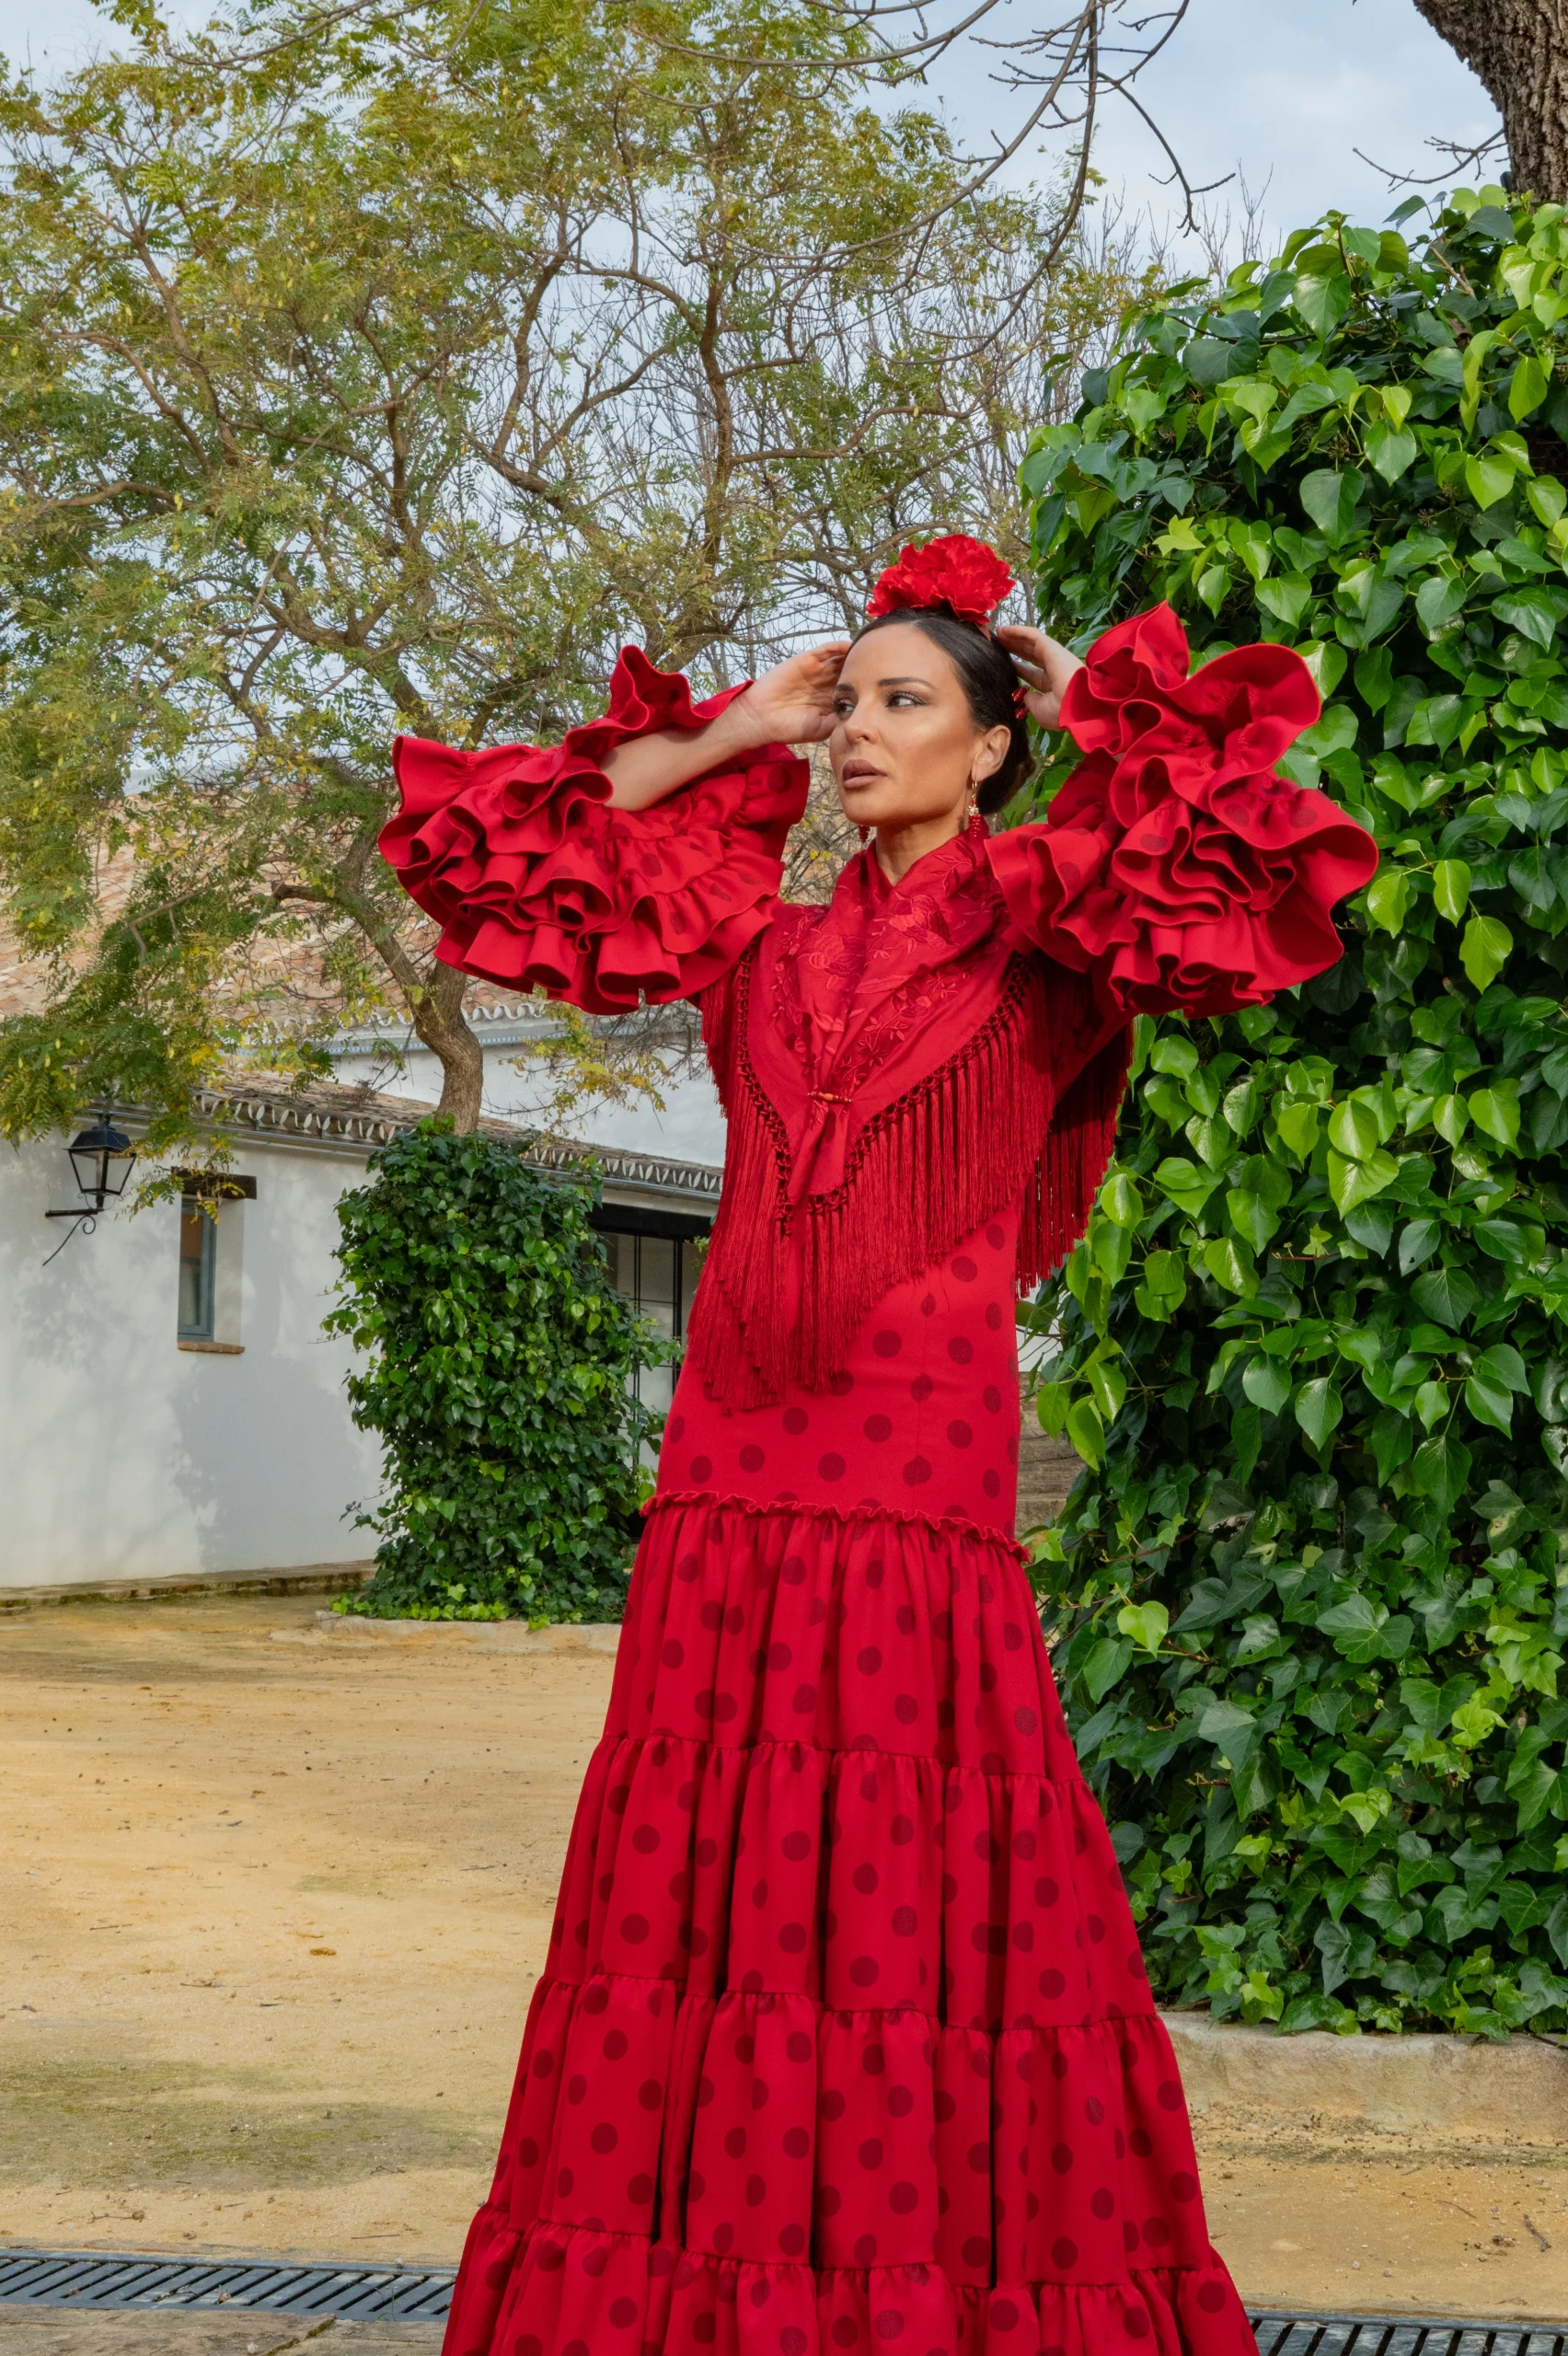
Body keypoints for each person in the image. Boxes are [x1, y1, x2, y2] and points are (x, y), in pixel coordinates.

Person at [381, 534, 1378, 2356]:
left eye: (897, 705)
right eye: (844, 704)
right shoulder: (751, 931)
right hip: (728, 1493)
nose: (854, 735)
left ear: (988, 744)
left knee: (927, 1910)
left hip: (916, 1503)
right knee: (705, 1908)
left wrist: (1089, 703)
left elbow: (1235, 859)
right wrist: (735, 723)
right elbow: (503, 851)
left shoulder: (1053, 921)